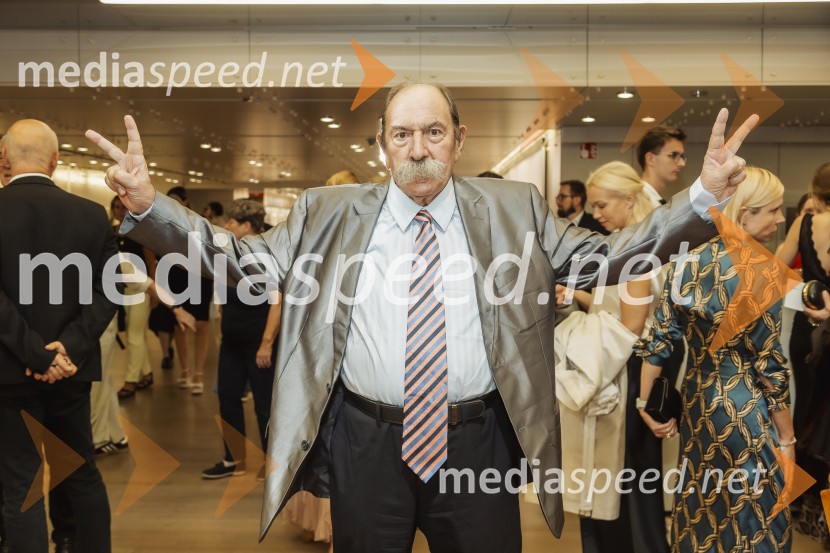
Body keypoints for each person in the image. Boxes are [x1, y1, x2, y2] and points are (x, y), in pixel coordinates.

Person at [87, 82, 757, 551]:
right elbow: (238, 263)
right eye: (402, 133)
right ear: (381, 144)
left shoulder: (513, 210)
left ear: (457, 139)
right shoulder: (327, 215)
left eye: (433, 131)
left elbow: (615, 255)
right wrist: (151, 207)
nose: (417, 147)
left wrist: (700, 198)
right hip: (364, 441)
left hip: (478, 441)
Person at [635, 167, 793, 552]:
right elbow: (770, 367)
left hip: (699, 402)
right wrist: (787, 438)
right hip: (745, 405)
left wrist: (644, 403)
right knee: (757, 513)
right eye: (773, 210)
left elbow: (659, 342)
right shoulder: (763, 270)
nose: (782, 218)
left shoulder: (685, 261)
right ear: (743, 215)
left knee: (702, 507)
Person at [0, 119, 116, 552]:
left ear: (4, 159)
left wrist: (35, 353)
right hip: (73, 371)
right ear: (55, 161)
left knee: (21, 482)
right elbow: (108, 291)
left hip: (10, 373)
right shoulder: (91, 215)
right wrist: (68, 348)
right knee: (79, 471)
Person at [555, 161, 666, 553]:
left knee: (624, 486)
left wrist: (568, 335)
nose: (596, 213)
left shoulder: (638, 252)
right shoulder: (627, 244)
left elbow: (629, 327)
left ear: (629, 200)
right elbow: (613, 306)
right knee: (614, 483)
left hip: (625, 371)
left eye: (602, 205)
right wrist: (577, 296)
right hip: (615, 364)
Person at [201, 200, 281, 483]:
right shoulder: (228, 251)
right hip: (232, 340)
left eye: (232, 222)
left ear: (246, 226)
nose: (226, 226)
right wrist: (222, 326)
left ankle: (272, 463)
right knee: (227, 398)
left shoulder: (266, 253)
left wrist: (267, 344)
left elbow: (277, 302)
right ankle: (234, 459)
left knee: (264, 404)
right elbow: (222, 291)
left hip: (259, 343)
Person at [775, 162, 830, 547]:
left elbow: (775, 271)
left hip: (812, 339)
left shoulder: (805, 225)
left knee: (812, 425)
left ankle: (811, 513)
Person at [636, 125, 687, 204]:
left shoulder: (654, 199)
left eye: (682, 157)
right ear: (650, 159)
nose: (682, 163)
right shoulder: (636, 201)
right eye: (674, 155)